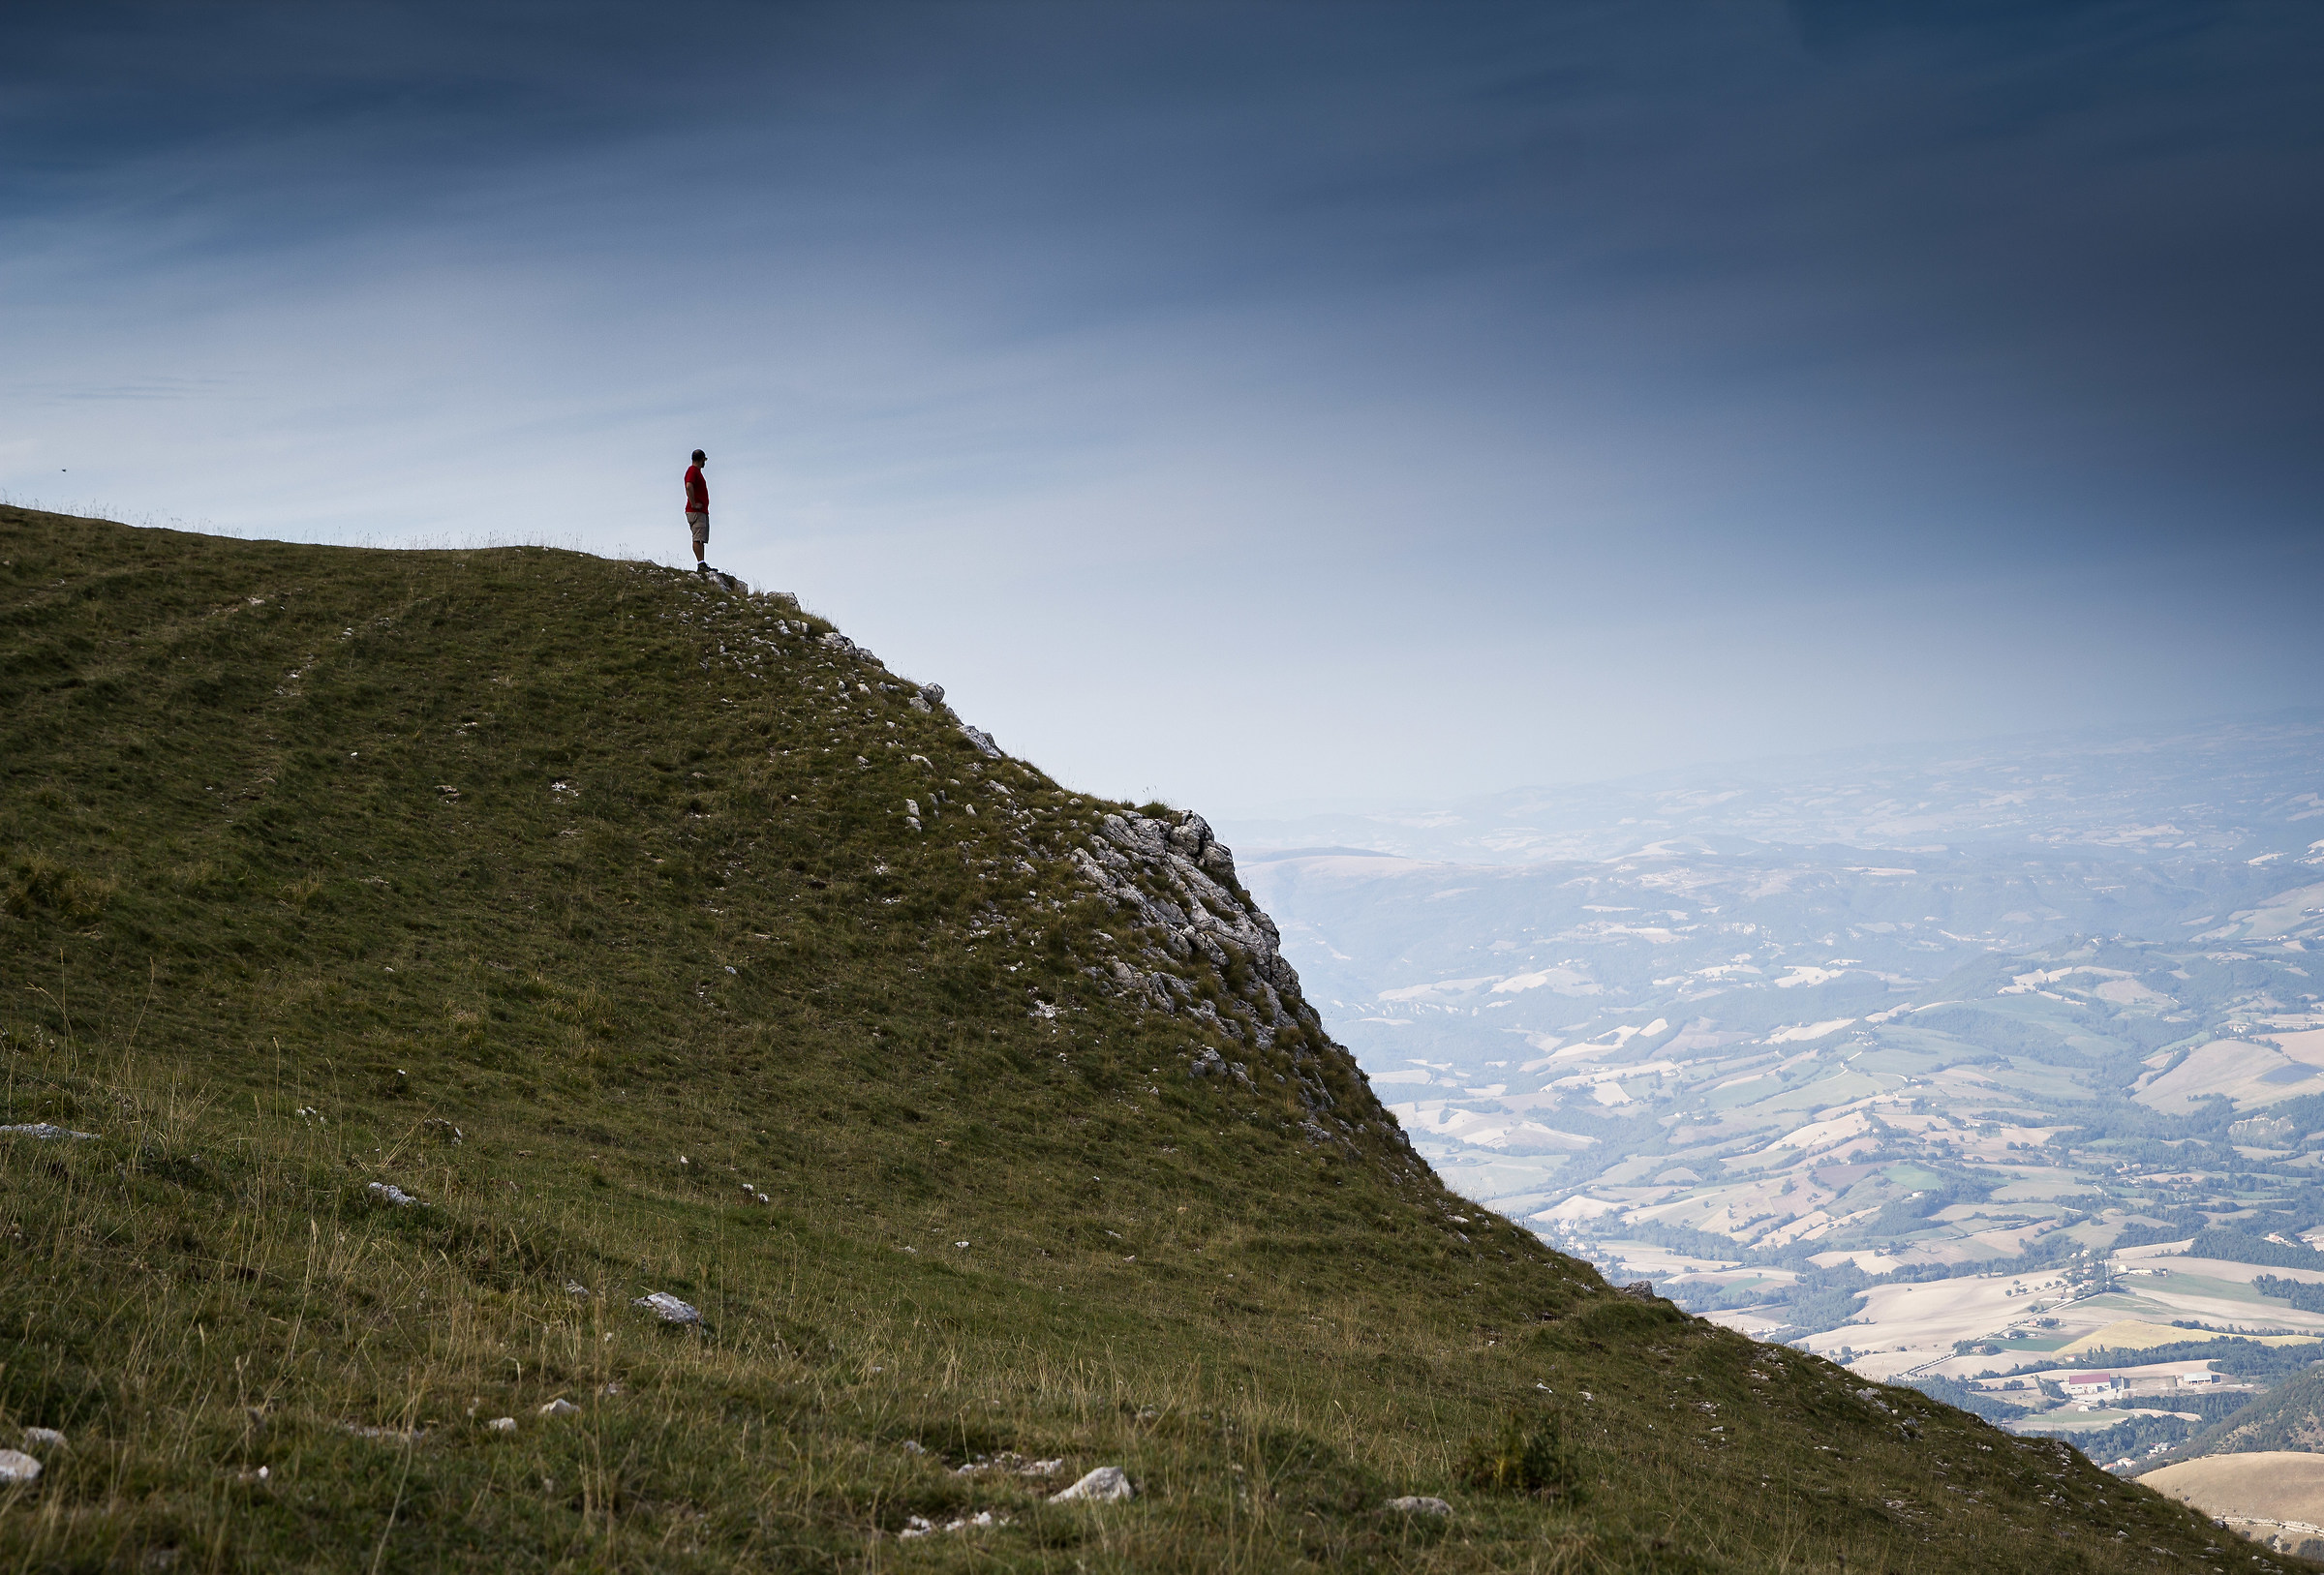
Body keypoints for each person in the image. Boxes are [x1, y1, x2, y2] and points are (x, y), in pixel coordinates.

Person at [683, 449, 711, 571]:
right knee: (698, 537)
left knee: (701, 538)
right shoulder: (693, 471)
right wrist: (694, 504)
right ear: (701, 459)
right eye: (704, 460)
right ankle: (700, 563)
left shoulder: (696, 472)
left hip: (701, 511)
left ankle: (702, 563)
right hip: (696, 511)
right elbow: (689, 486)